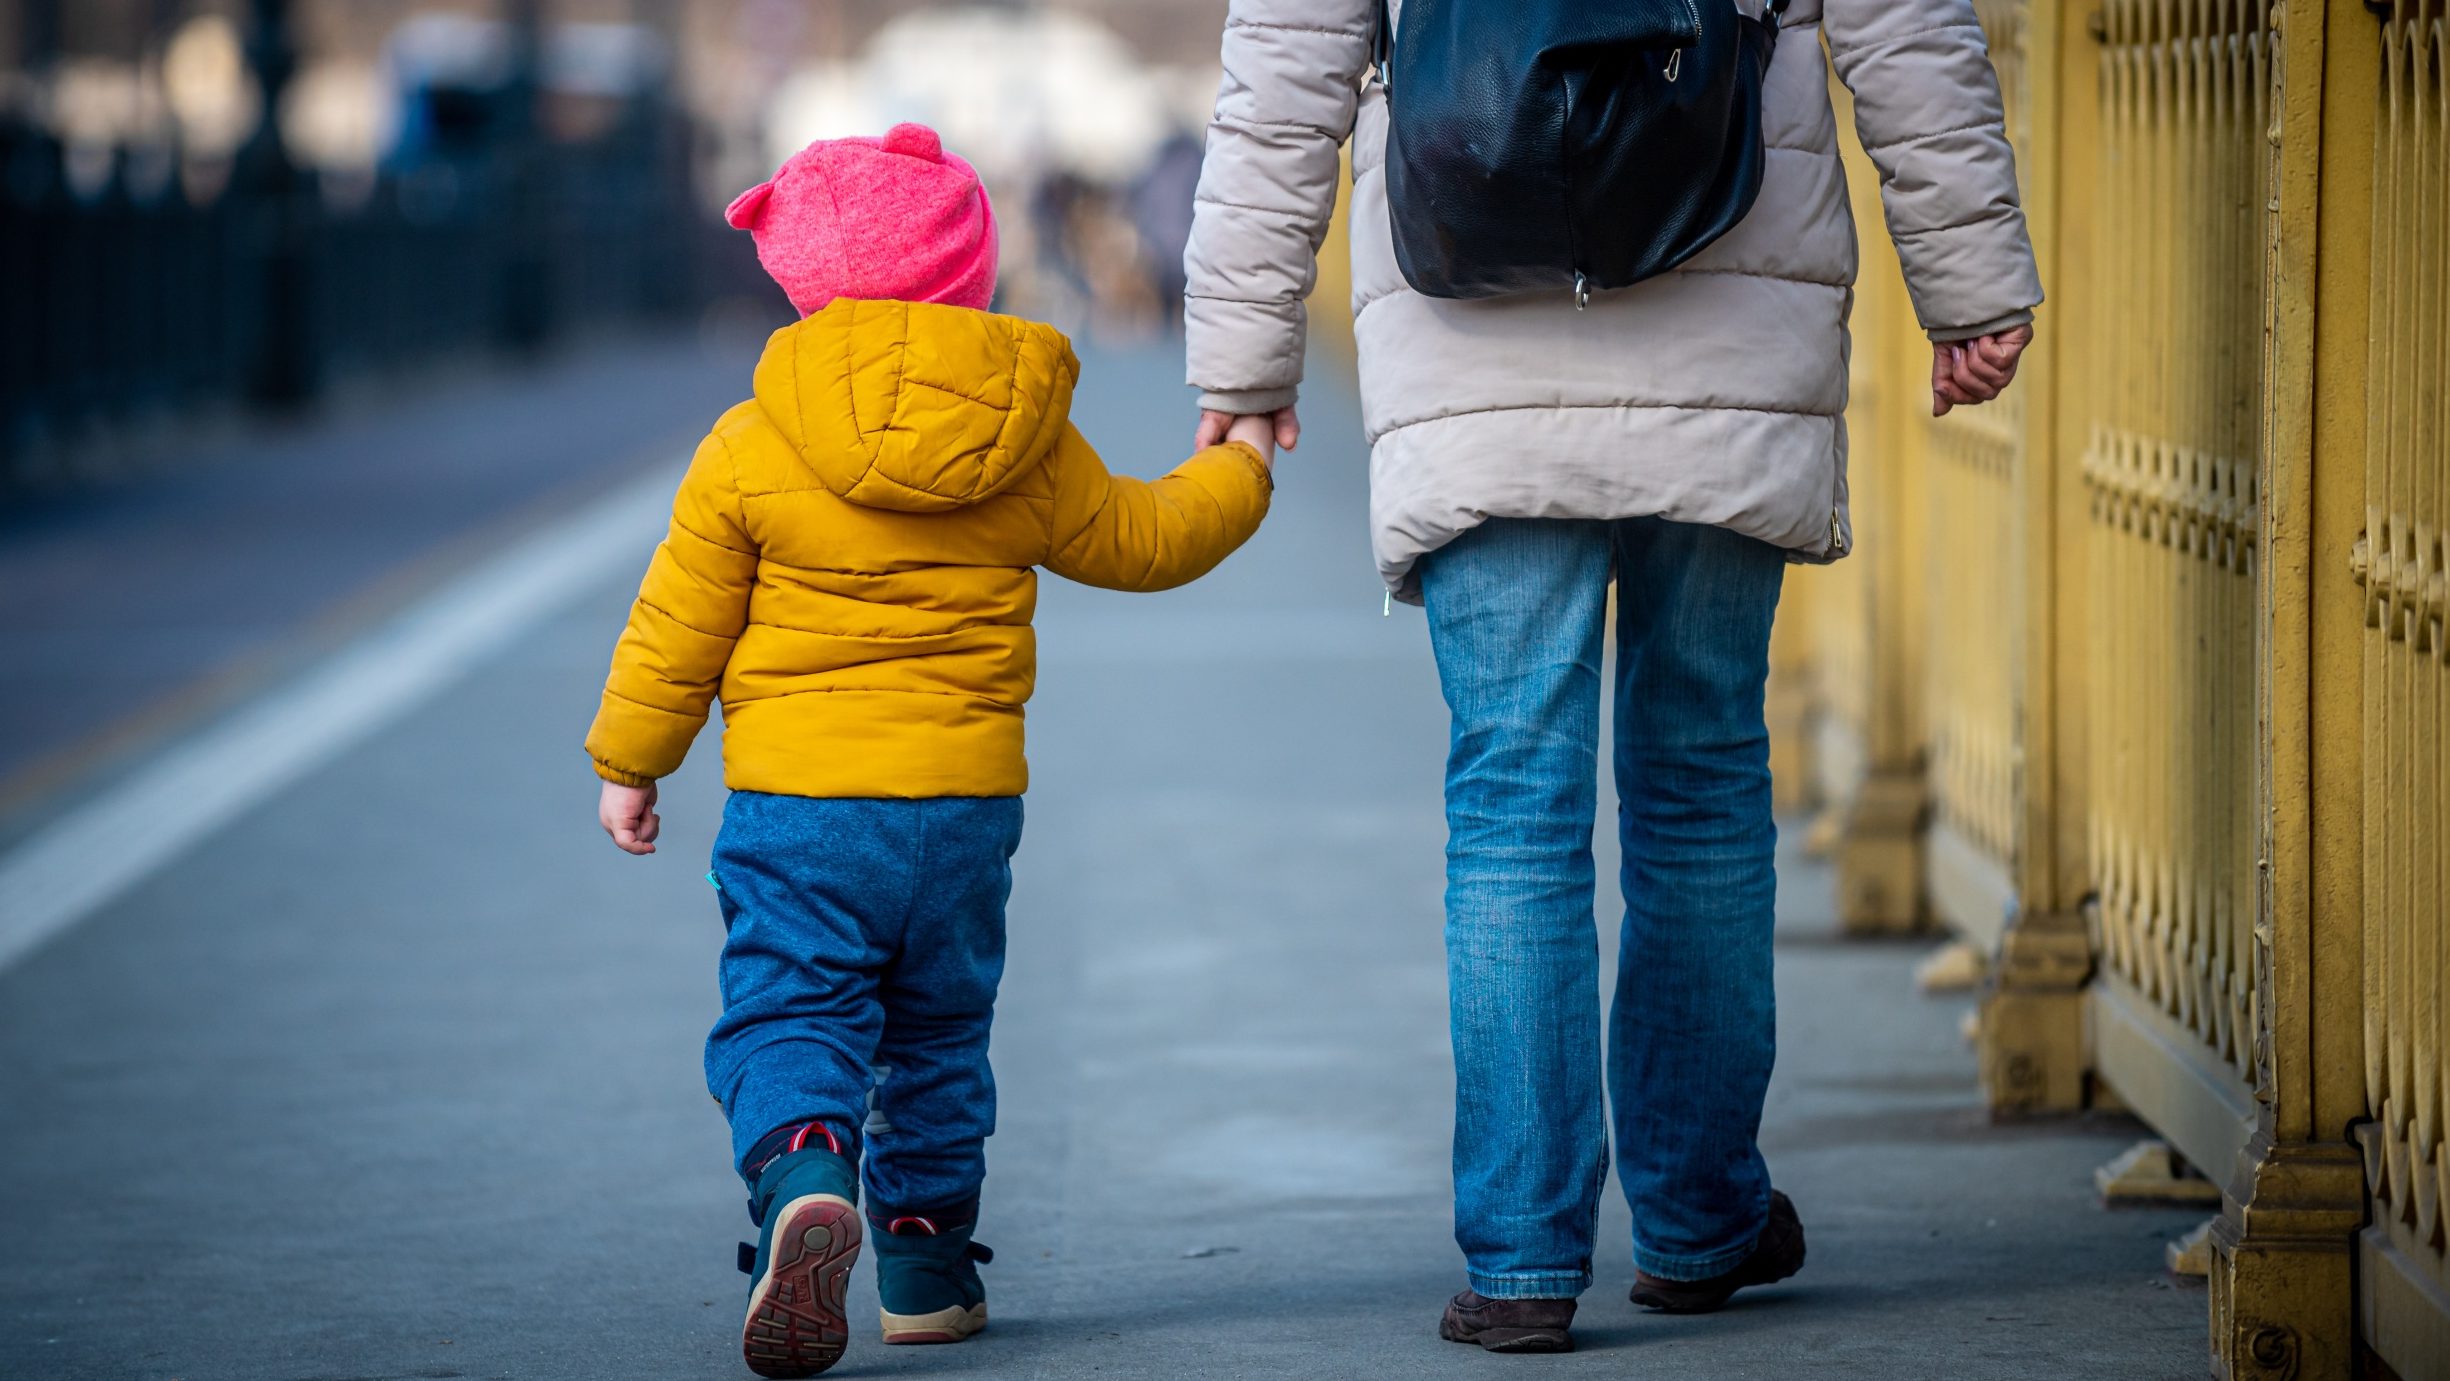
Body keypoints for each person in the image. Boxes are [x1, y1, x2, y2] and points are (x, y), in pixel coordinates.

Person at [1185, 0, 2040, 1353]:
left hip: (1473, 308)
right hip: (1727, 292)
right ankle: (1700, 1219)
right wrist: (1972, 281)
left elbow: (1281, 72)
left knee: (1512, 800)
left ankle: (1521, 1259)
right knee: (1700, 778)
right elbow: (1906, 28)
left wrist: (1241, 352)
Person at [583, 123, 1275, 1379]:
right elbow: (1145, 539)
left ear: (800, 276)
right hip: (960, 809)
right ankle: (921, 1263)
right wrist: (1236, 469)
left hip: (799, 806)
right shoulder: (1017, 434)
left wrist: (631, 762)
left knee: (790, 1008)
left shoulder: (750, 443)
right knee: (940, 1035)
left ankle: (803, 1172)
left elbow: (676, 624)